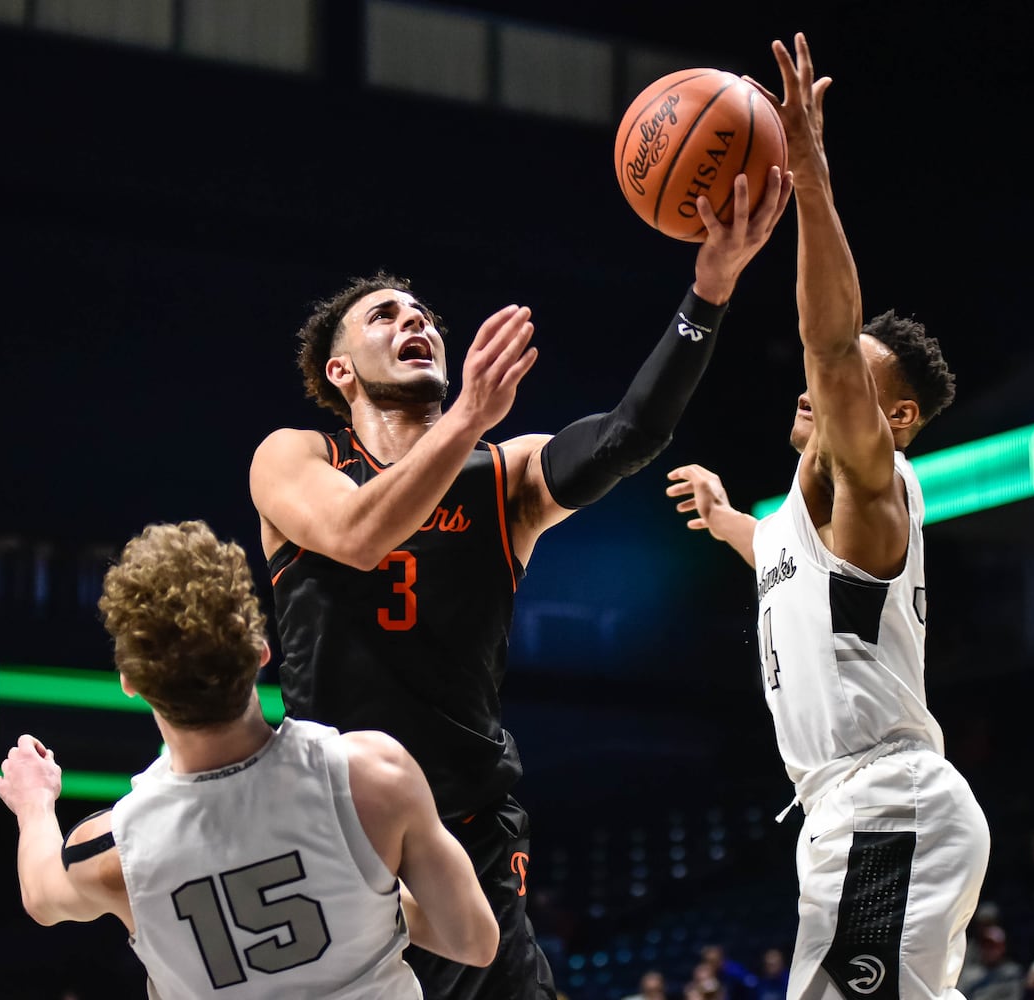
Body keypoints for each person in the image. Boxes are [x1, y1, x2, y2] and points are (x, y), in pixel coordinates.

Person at [250, 141, 792, 998]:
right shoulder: (296, 457)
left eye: (424, 314)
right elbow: (357, 536)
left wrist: (709, 293)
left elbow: (629, 437)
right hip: (339, 824)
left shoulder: (507, 475)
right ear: (339, 370)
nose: (417, 323)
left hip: (472, 821)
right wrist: (466, 417)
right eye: (386, 317)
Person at [665, 33, 989, 1000]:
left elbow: (831, 339)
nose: (819, 384)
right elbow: (774, 555)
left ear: (893, 422)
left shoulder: (874, 493)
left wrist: (809, 175)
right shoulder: (800, 528)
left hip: (887, 803)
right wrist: (725, 516)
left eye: (848, 383)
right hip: (854, 812)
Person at [0, 520, 498, 999]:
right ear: (260, 650)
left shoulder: (110, 853)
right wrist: (357, 900)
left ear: (131, 682)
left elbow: (41, 896)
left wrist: (34, 802)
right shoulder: (374, 775)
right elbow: (473, 941)